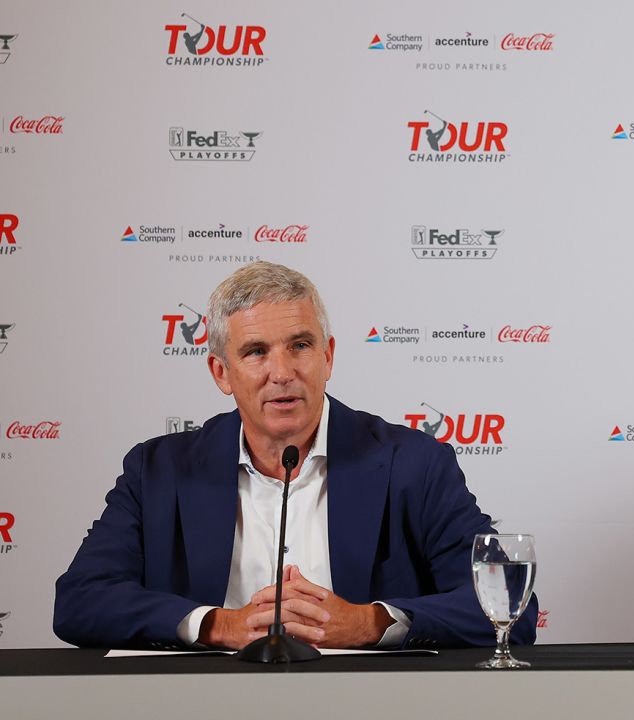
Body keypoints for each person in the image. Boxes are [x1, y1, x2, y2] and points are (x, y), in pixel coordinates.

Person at [54, 261, 536, 650]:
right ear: (221, 373)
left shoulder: (415, 463)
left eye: (300, 346)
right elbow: (79, 602)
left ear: (327, 356)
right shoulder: (157, 471)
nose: (281, 372)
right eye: (256, 352)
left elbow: (510, 608)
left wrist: (371, 623)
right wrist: (218, 626)